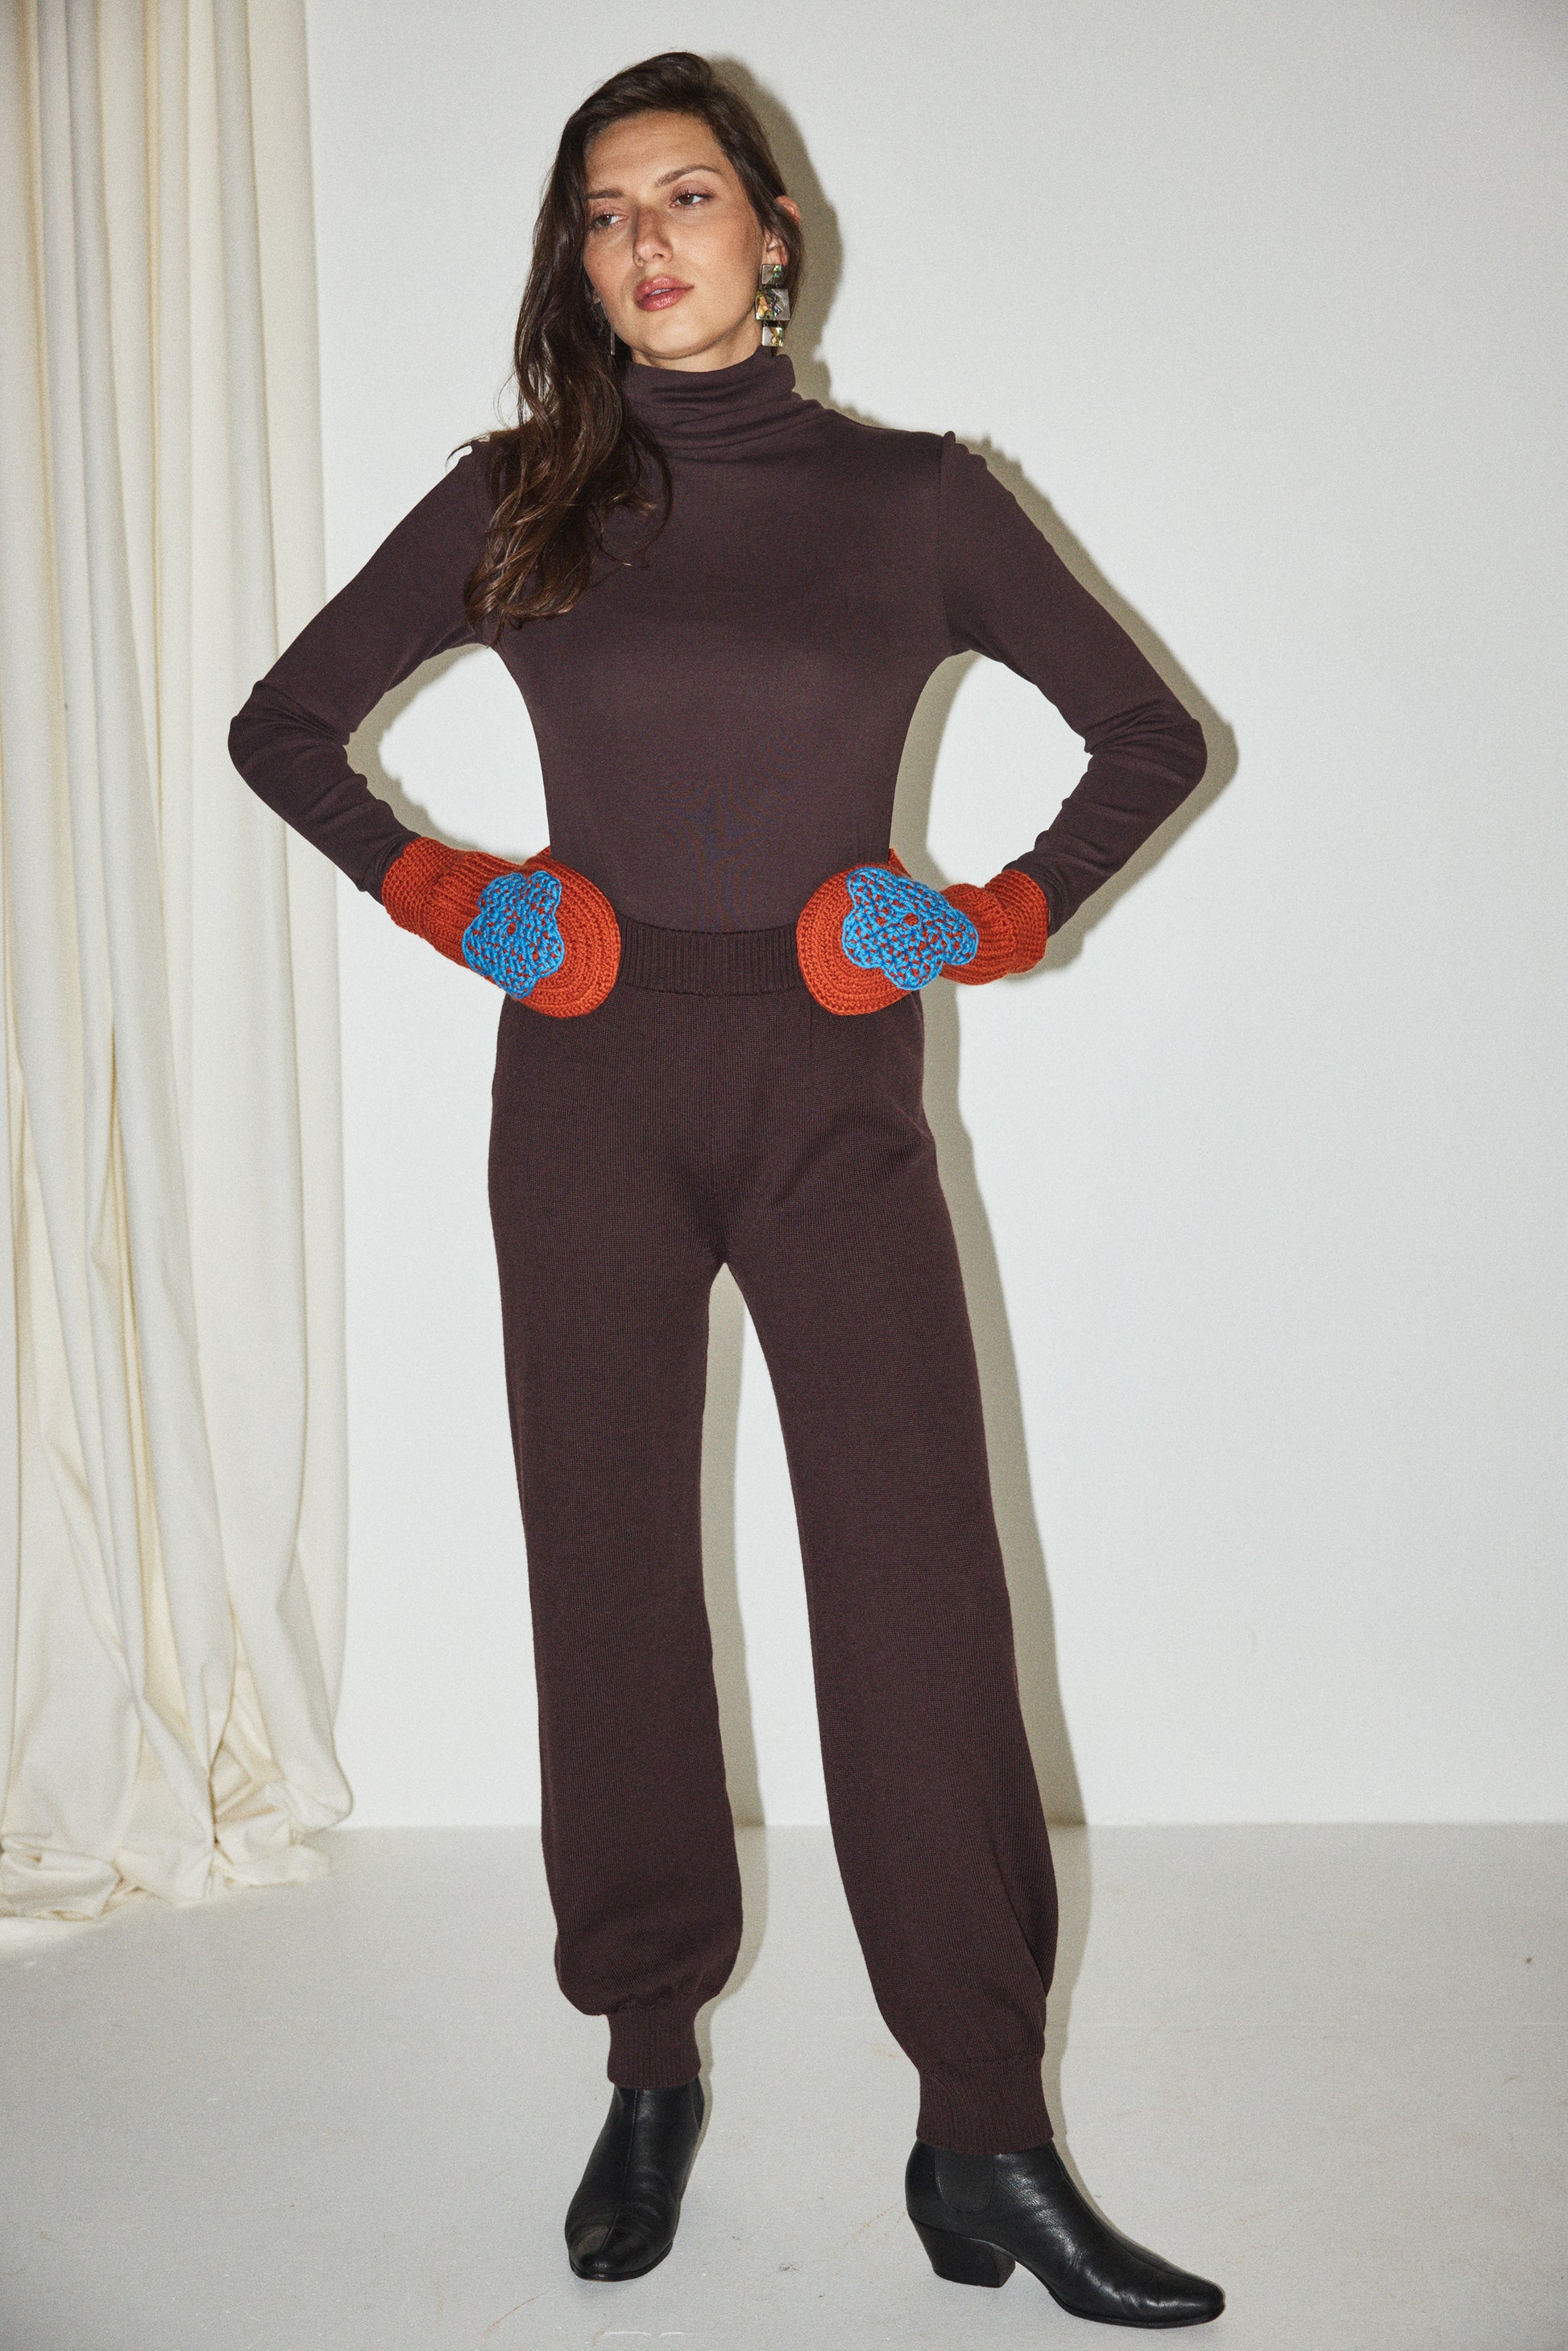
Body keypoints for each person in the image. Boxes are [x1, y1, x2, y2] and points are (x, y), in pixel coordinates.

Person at [230, 48, 1223, 2328]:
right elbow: (283, 726)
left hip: (827, 1082)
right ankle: (648, 2060)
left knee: (916, 1597)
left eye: (685, 195)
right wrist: (454, 895)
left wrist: (983, 918)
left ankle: (983, 2128)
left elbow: (1148, 735)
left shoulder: (918, 498)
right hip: (584, 1080)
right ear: (577, 262)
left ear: (773, 231)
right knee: (607, 1579)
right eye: (603, 212)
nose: (644, 240)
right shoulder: (520, 494)